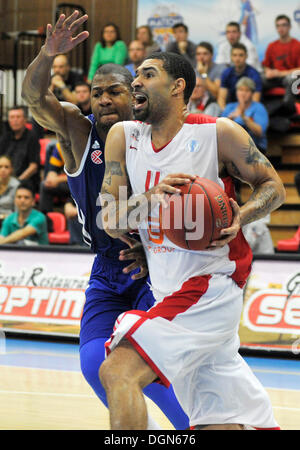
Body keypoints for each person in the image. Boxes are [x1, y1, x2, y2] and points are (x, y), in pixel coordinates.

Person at [99, 51, 285, 430]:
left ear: (177, 86)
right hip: (168, 289)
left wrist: (241, 215)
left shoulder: (217, 133)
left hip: (210, 286)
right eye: (136, 75)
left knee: (118, 370)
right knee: (223, 419)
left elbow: (274, 188)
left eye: (148, 75)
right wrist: (151, 200)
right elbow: (109, 219)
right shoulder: (124, 136)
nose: (136, 82)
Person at [21, 11, 189, 431]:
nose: (103, 100)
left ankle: (193, 427)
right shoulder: (80, 131)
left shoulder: (156, 131)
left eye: (114, 91)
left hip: (158, 262)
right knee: (96, 362)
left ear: (135, 93)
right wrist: (47, 54)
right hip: (107, 265)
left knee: (149, 363)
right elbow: (34, 99)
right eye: (97, 93)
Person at [221, 77, 269, 154]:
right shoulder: (230, 107)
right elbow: (220, 130)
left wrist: (244, 118)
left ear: (252, 93)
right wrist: (229, 119)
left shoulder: (258, 108)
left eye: (247, 90)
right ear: (236, 92)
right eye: (240, 90)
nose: (243, 93)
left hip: (254, 147)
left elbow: (259, 132)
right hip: (232, 146)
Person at [262, 15, 300, 112]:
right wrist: (268, 71)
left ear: (289, 27)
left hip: (292, 77)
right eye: (278, 26)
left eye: (284, 25)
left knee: (291, 78)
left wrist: (280, 73)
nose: (281, 28)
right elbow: (265, 65)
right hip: (276, 78)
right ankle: (261, 111)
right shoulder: (272, 46)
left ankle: (289, 110)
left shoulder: (297, 45)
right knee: (258, 78)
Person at [0, 106, 40, 193]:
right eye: (12, 117)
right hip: (5, 179)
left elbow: (33, 167)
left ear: (25, 120)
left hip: (24, 181)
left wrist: (16, 181)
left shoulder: (32, 137)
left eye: (18, 117)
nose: (15, 120)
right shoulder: (5, 138)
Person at [218, 43, 262, 110]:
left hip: (249, 110)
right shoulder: (226, 73)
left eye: (241, 55)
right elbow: (221, 99)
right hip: (230, 108)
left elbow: (255, 101)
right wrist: (225, 115)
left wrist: (241, 116)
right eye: (234, 55)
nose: (237, 58)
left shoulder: (254, 74)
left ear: (246, 56)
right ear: (231, 57)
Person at [39, 142, 70, 214]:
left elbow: (83, 176)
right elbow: (52, 170)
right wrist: (51, 179)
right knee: (45, 185)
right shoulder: (61, 145)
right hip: (68, 183)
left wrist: (58, 180)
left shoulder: (84, 145)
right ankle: (45, 219)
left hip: (83, 184)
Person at [0, 155, 20, 224]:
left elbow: (17, 212)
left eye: (6, 167)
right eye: (0, 167)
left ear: (11, 169)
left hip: (8, 221)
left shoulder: (16, 186)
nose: (3, 170)